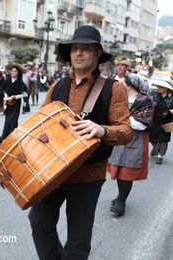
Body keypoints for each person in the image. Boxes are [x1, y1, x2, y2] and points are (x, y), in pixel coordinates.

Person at [28, 25, 133, 260]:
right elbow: (40, 123)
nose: (78, 53)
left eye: (85, 49)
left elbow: (126, 131)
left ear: (97, 54)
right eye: (75, 48)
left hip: (88, 174)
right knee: (38, 223)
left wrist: (102, 129)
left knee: (78, 239)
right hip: (52, 170)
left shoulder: (113, 88)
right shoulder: (57, 86)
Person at [107, 73, 153, 216]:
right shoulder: (120, 98)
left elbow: (142, 124)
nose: (120, 84)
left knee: (127, 172)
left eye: (123, 83)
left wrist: (122, 119)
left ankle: (121, 202)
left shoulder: (145, 100)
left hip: (135, 140)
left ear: (130, 85)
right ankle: (120, 196)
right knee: (119, 170)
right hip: (120, 138)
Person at [149, 80, 173, 164]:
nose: (158, 88)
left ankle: (160, 156)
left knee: (164, 139)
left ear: (165, 88)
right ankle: (155, 147)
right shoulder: (155, 96)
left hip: (167, 120)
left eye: (160, 87)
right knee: (152, 136)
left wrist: (169, 112)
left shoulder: (171, 98)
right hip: (155, 119)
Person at [1, 64, 27, 139]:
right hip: (8, 104)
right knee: (7, 119)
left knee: (13, 120)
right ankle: (4, 137)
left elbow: (24, 94)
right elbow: (4, 90)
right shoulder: (8, 80)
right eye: (12, 71)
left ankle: (12, 137)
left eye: (15, 71)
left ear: (18, 73)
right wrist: (5, 96)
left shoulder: (20, 82)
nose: (13, 73)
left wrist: (14, 97)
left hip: (16, 104)